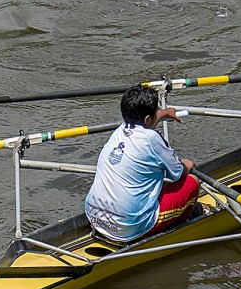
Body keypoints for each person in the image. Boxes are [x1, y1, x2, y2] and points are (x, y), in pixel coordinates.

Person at [84, 85, 201, 242]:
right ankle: (181, 225)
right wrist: (188, 163)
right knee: (191, 182)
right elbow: (178, 173)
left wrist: (163, 113)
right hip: (129, 226)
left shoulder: (119, 131)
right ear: (147, 118)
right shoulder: (152, 139)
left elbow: (144, 123)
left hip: (93, 215)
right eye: (156, 111)